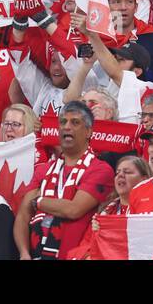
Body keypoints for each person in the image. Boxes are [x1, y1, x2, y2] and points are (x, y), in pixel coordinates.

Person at [14, 101, 114, 260]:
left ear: (88, 131)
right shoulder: (43, 170)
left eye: (75, 122)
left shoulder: (100, 170)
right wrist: (24, 253)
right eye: (63, 122)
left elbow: (73, 210)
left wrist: (38, 202)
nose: (67, 127)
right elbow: (23, 216)